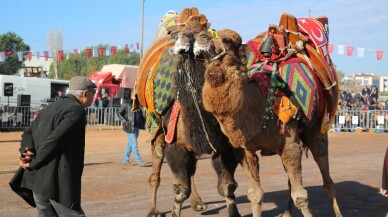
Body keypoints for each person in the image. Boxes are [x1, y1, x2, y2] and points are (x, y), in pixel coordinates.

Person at [13, 76, 96, 217]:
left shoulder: (49, 107)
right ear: (85, 93)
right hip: (57, 184)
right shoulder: (76, 110)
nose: (94, 96)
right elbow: (55, 140)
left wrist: (27, 153)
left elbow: (28, 133)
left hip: (38, 182)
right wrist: (33, 162)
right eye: (93, 92)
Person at [117, 98, 150, 167]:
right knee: (134, 144)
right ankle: (139, 160)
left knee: (130, 144)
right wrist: (124, 120)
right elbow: (119, 112)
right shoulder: (126, 104)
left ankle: (125, 160)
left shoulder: (139, 105)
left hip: (137, 127)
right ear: (132, 96)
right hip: (130, 127)